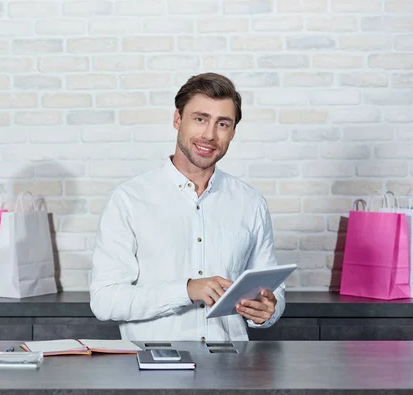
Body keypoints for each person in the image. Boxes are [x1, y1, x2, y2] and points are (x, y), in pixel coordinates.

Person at [89, 72, 285, 342]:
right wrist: (187, 290)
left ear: (233, 132)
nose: (209, 135)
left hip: (232, 369)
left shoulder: (250, 203)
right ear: (177, 119)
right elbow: (105, 301)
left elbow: (272, 288)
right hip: (154, 369)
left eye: (222, 124)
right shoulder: (128, 200)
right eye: (200, 119)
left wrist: (268, 310)